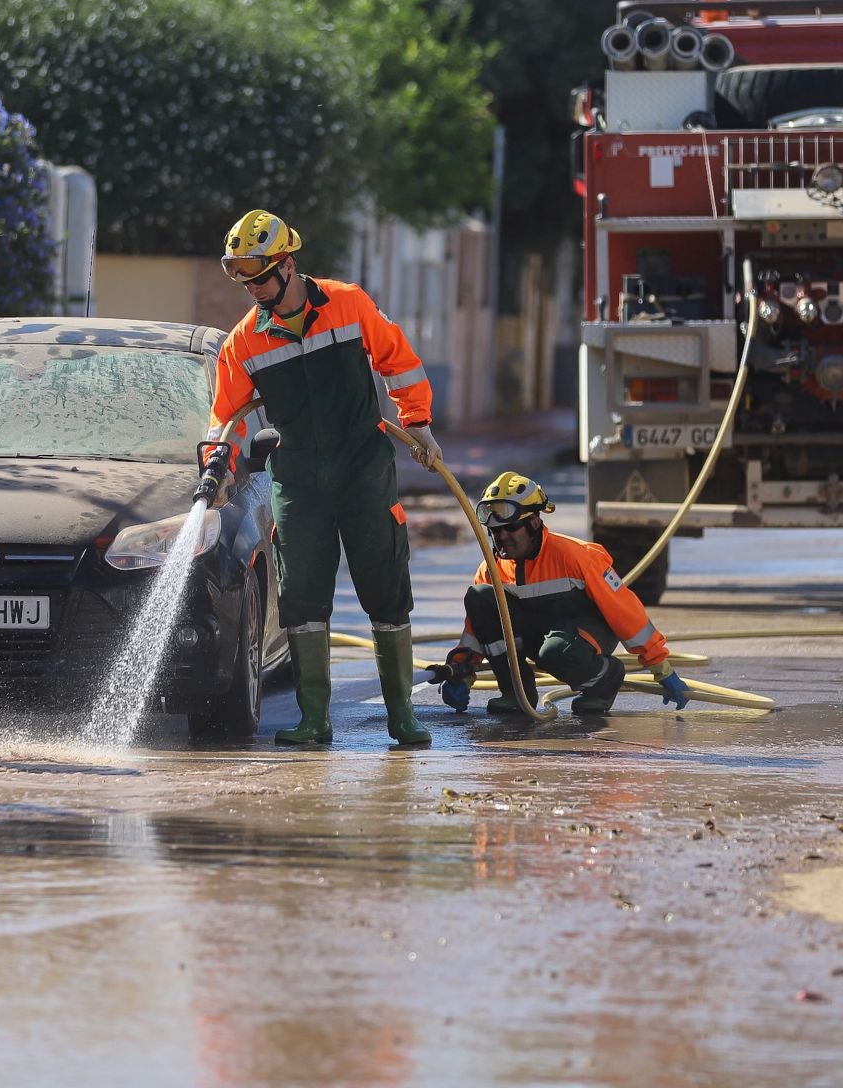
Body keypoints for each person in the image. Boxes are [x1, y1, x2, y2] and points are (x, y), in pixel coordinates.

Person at [206, 210, 442, 748]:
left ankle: (402, 716)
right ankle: (315, 719)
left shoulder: (349, 304)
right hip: (300, 481)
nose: (254, 290)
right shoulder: (244, 343)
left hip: (364, 469)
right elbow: (226, 420)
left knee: (385, 588)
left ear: (287, 265)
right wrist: (216, 472)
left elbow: (398, 362)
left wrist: (419, 423)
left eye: (261, 278)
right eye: (244, 282)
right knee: (303, 596)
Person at [434, 472, 686, 715]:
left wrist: (659, 665)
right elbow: (478, 630)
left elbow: (625, 612)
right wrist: (462, 672)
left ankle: (604, 681)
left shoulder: (576, 557)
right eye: (495, 530)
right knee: (479, 596)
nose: (502, 537)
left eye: (510, 528)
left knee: (555, 652)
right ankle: (516, 692)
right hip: (542, 631)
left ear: (533, 522)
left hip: (583, 631)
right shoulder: (492, 570)